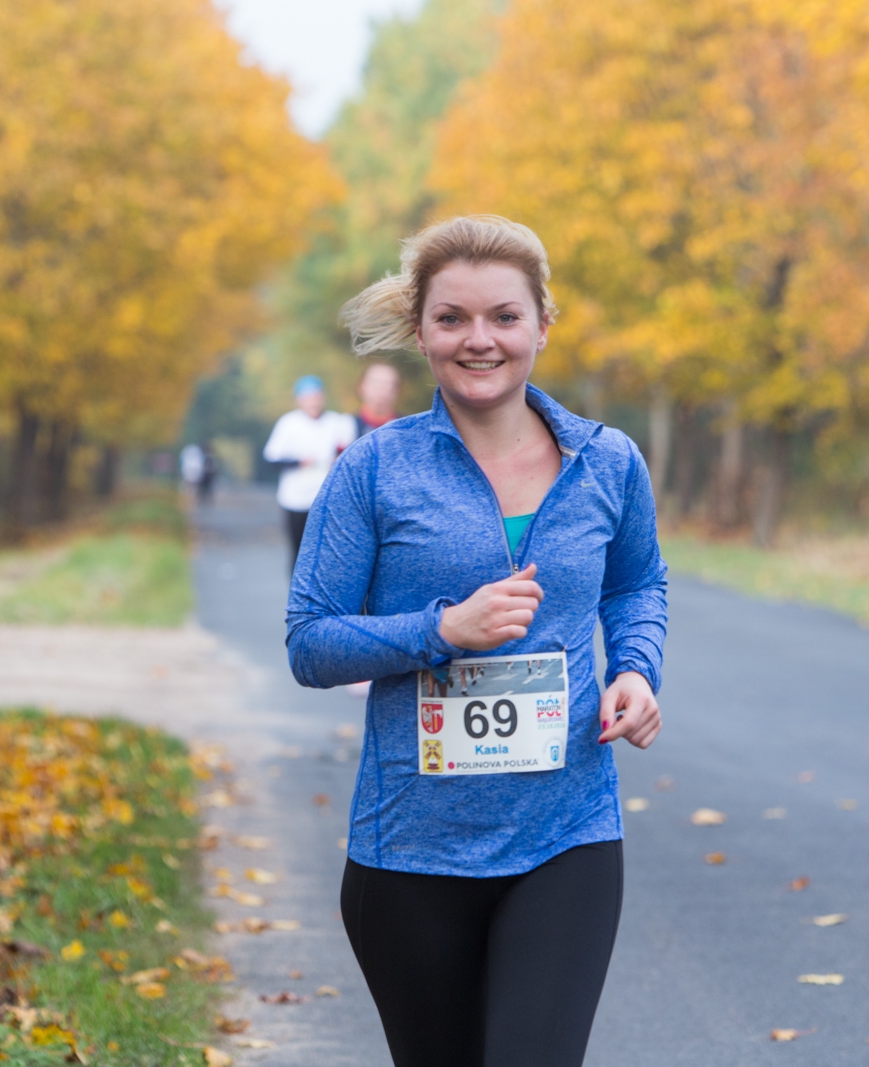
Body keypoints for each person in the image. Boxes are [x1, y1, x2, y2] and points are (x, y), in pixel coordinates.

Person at [286, 216, 667, 1067]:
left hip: (565, 834)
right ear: (420, 331)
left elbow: (637, 582)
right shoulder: (374, 469)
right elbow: (310, 641)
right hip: (409, 851)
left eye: (504, 315)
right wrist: (439, 630)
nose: (479, 339)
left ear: (541, 324)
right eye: (452, 318)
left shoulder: (609, 463)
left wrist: (637, 669)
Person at [263, 375, 356, 569]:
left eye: (317, 396)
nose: (313, 401)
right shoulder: (288, 423)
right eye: (308, 397)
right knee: (298, 552)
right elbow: (271, 459)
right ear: (299, 400)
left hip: (326, 498)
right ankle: (297, 595)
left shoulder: (336, 422)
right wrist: (299, 461)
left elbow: (347, 451)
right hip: (295, 499)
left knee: (326, 552)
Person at [355, 361, 402, 438]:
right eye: (376, 383)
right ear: (361, 386)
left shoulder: (405, 427)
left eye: (388, 384)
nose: (382, 389)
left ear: (397, 390)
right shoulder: (345, 426)